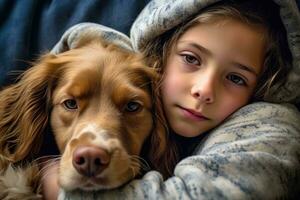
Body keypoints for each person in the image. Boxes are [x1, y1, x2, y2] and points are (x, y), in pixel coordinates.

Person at [43, 0, 300, 199]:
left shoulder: (271, 128)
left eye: (235, 78)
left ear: (264, 85)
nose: (204, 89)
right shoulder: (146, 87)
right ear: (159, 55)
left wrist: (56, 188)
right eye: (191, 58)